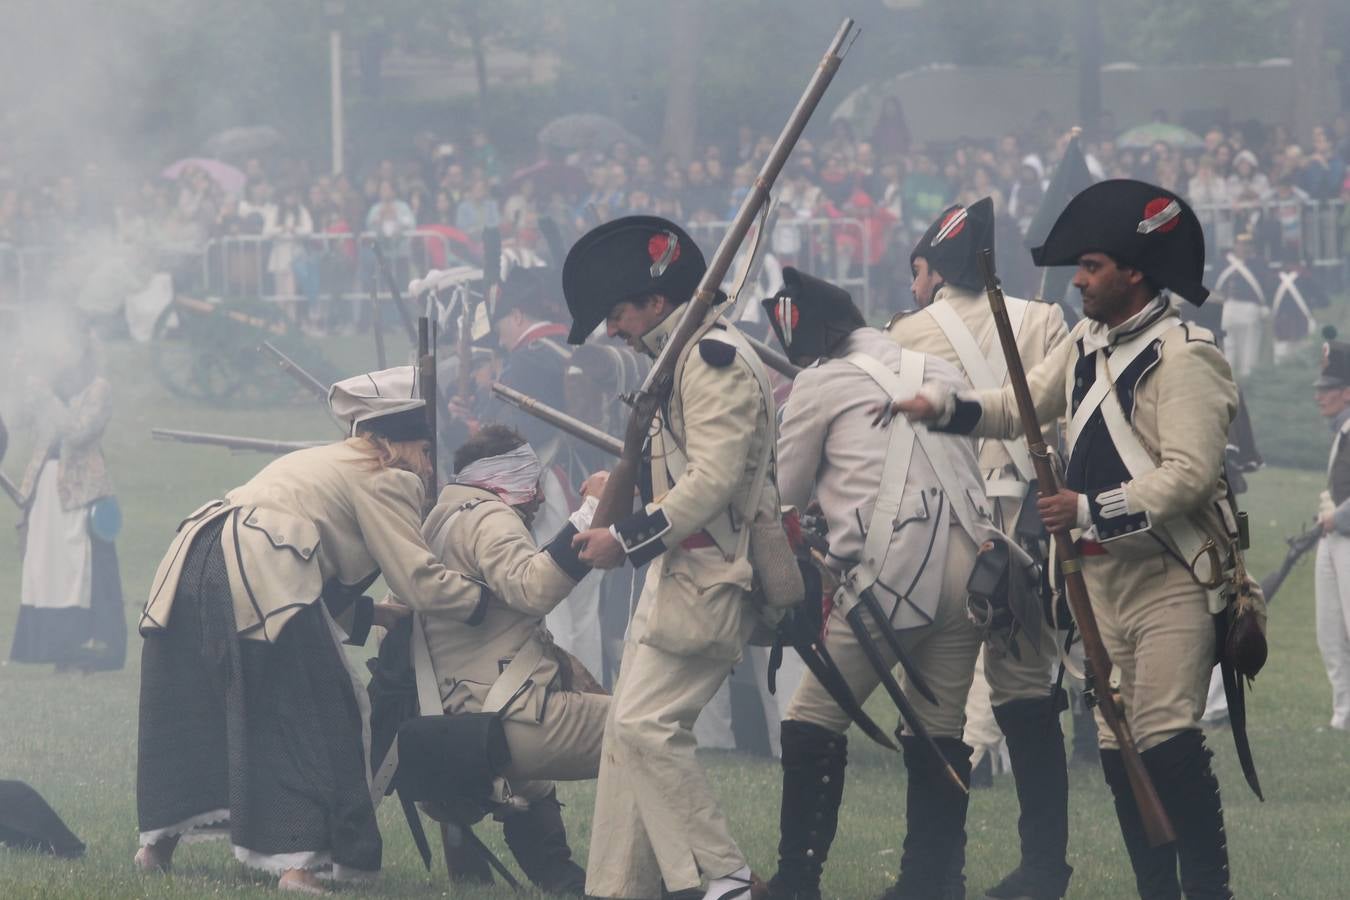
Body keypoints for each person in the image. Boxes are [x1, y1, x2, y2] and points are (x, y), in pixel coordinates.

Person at [890, 180, 1246, 899]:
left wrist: (1088, 507)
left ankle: (1208, 890)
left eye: (1090, 268)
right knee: (1118, 750)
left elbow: (1188, 476)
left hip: (1172, 572)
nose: (1077, 281)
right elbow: (1019, 404)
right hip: (1100, 577)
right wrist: (945, 408)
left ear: (1133, 272)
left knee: (1168, 740)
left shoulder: (1186, 356)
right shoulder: (1086, 343)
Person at [135, 366, 488, 894]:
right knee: (319, 715)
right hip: (260, 569)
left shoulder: (326, 460)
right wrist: (485, 602)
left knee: (202, 707)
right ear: (402, 444)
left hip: (195, 557)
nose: (428, 464)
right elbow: (416, 578)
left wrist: (373, 616)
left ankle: (155, 848)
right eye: (425, 450)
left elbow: (313, 564)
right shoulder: (389, 475)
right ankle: (301, 867)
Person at [759, 268, 1001, 900]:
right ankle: (929, 885)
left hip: (889, 578)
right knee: (940, 735)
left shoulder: (817, 383)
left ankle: (797, 882)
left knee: (810, 725)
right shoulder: (938, 372)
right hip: (974, 573)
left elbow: (780, 495)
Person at [563, 215, 780, 900]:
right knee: (626, 736)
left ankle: (725, 879)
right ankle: (619, 888)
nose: (614, 329)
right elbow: (685, 471)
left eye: (619, 311)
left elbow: (714, 480)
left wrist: (623, 538)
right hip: (681, 572)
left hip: (710, 575)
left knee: (642, 726)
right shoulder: (683, 356)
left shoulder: (708, 358)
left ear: (656, 301)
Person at [888, 198, 1074, 900]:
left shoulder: (907, 332)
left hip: (946, 533)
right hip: (1027, 532)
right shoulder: (1044, 320)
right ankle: (1043, 869)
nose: (913, 286)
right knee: (1028, 698)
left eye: (918, 270)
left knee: (934, 700)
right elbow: (1053, 415)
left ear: (935, 267)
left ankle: (933, 874)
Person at [417, 425, 609, 895]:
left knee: (532, 784)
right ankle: (661, 881)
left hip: (450, 727)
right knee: (649, 731)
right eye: (533, 483)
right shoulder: (490, 518)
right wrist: (590, 513)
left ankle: (560, 882)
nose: (541, 498)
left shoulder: (437, 521)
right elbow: (532, 587)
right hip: (506, 721)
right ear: (505, 480)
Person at [8, 325, 125, 673]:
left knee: (79, 572)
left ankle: (85, 649)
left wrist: (46, 396)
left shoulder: (98, 388)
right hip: (44, 488)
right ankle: (52, 648)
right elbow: (17, 419)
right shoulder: (48, 386)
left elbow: (77, 431)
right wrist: (18, 377)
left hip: (80, 491)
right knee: (46, 570)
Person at [1313, 339, 1350, 734]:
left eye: (1328, 389)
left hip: (1346, 534)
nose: (1320, 396)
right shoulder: (1340, 430)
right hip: (1335, 536)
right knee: (1329, 629)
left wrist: (1337, 517)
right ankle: (1344, 712)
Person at [1213, 232, 1269, 379]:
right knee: (1245, 349)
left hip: (1234, 310)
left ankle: (1233, 379)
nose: (1244, 248)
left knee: (1235, 349)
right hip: (1240, 309)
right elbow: (1267, 286)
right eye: (1242, 244)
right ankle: (1242, 379)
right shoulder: (1259, 263)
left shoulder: (1222, 262)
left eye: (1246, 245)